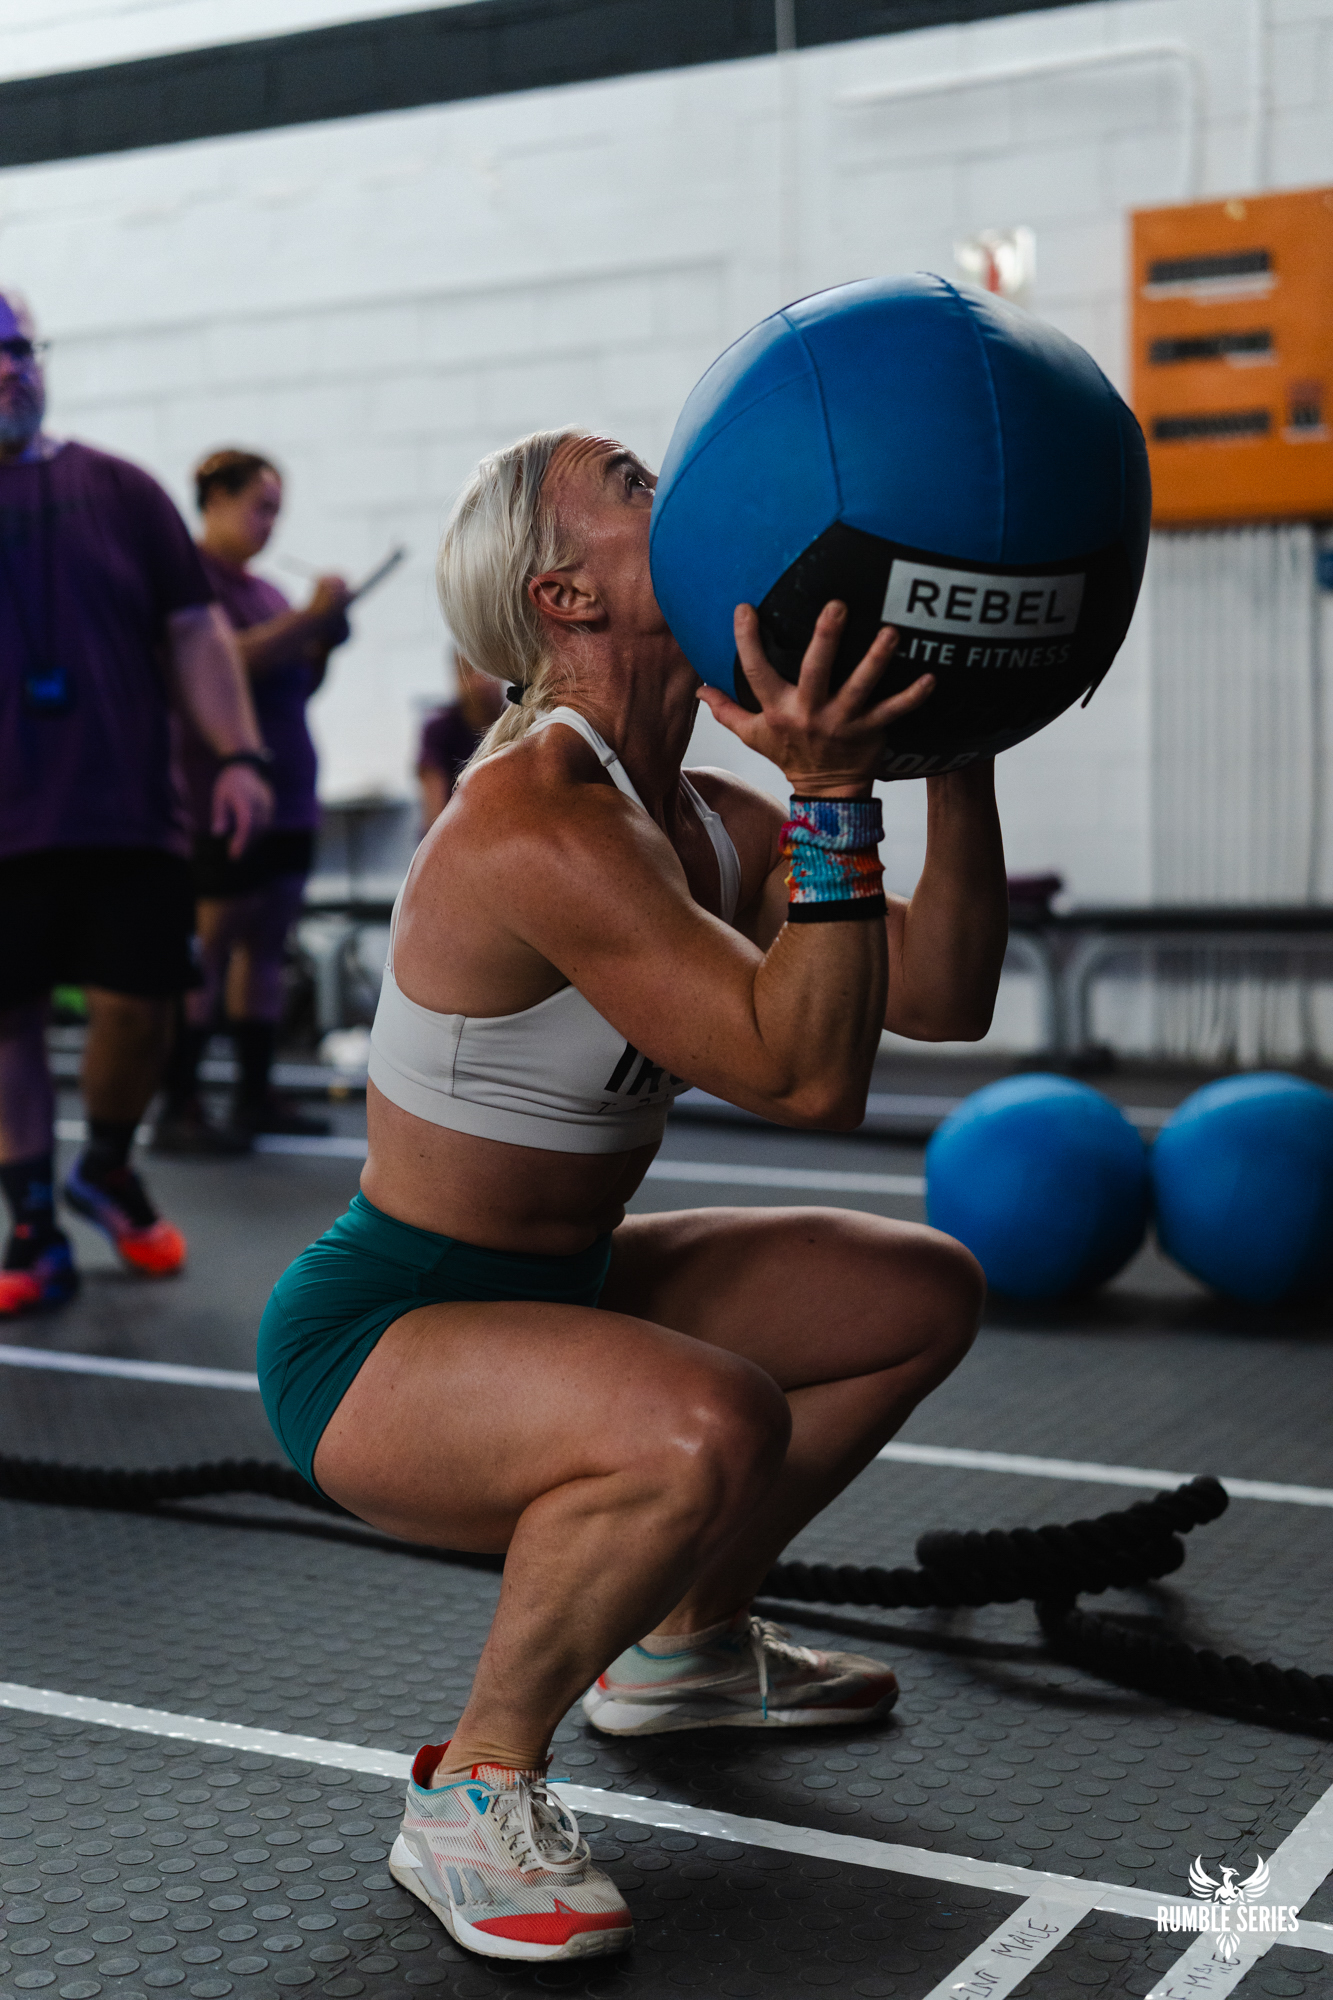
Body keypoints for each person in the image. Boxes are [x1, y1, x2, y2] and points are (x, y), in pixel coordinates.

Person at [257, 430, 1009, 1965]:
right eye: (633, 485)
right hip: (383, 1331)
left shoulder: (709, 817)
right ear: (566, 594)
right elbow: (805, 1077)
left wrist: (963, 746)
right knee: (705, 1419)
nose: (679, 492)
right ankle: (471, 1787)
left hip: (572, 1286)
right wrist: (835, 792)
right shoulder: (538, 817)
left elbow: (943, 991)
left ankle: (686, 1648)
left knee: (914, 1294)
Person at [0, 290, 272, 1317]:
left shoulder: (121, 489)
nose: (9, 368)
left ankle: (105, 1164)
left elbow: (196, 633)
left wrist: (239, 754)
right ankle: (32, 1220)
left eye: (20, 348)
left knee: (142, 1006)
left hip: (125, 808)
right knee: (9, 1025)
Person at [155, 449, 352, 1152]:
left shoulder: (265, 592)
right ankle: (179, 1103)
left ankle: (253, 1093)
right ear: (215, 499)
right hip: (222, 794)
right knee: (210, 950)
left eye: (276, 511)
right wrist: (309, 620)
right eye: (259, 507)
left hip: (289, 794)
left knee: (265, 946)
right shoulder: (191, 581)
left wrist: (324, 639)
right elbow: (222, 663)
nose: (270, 524)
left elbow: (294, 681)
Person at [416, 652, 505, 829]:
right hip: (458, 834)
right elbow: (434, 815)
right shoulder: (439, 730)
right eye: (471, 672)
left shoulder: (522, 725)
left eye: (489, 671)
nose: (481, 681)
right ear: (457, 677)